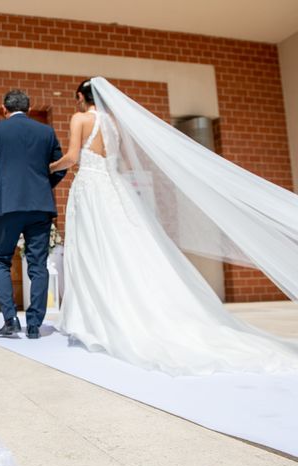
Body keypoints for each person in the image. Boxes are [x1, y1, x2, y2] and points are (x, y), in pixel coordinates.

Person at [49, 78, 298, 375]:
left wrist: (48, 167)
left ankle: (94, 318)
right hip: (114, 190)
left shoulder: (80, 118)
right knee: (127, 248)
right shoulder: (114, 124)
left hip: (90, 189)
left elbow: (73, 157)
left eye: (76, 98)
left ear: (81, 96)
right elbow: (122, 162)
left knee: (92, 249)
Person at [0, 90, 66, 339]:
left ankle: (10, 320)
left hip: (6, 203)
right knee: (38, 264)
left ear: (4, 109)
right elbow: (59, 166)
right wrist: (42, 186)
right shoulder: (46, 132)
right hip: (40, 206)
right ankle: (35, 324)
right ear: (28, 108)